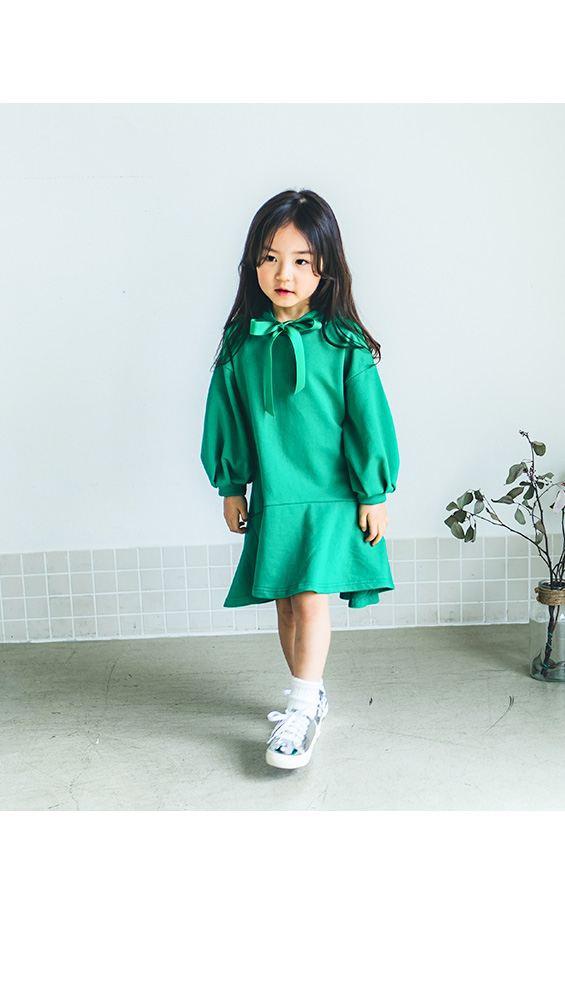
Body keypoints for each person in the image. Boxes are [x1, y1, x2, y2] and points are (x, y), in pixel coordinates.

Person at [201, 189, 398, 770]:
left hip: (331, 496)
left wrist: (374, 492)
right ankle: (309, 693)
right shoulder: (242, 344)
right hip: (277, 496)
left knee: (310, 598)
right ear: (253, 264)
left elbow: (368, 422)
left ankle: (303, 708)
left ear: (325, 267)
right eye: (270, 257)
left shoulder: (343, 342)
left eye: (301, 260)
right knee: (287, 603)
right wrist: (232, 486)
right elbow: (227, 418)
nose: (283, 273)